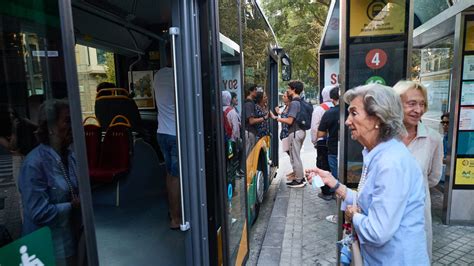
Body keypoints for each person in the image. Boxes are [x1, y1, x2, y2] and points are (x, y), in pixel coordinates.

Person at [306, 84, 428, 264]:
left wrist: (353, 215)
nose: (347, 121)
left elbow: (377, 232)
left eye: (354, 113)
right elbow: (370, 202)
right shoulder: (378, 154)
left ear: (378, 118)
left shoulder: (391, 163)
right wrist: (334, 183)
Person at [18, 99, 82, 265]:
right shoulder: (34, 164)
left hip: (68, 242)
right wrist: (71, 206)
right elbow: (38, 212)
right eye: (67, 121)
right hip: (45, 250)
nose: (72, 126)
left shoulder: (70, 156)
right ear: (51, 127)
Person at [393, 80, 443, 261]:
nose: (418, 109)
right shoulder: (384, 137)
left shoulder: (433, 138)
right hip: (387, 212)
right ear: (397, 105)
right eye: (412, 103)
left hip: (417, 214)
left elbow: (433, 177)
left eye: (422, 104)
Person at [153, 44, 181, 230]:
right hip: (175, 135)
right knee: (177, 176)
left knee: (170, 174)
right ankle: (177, 218)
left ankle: (173, 213)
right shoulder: (179, 76)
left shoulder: (158, 75)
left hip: (161, 132)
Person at [276, 80, 306, 188]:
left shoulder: (294, 103)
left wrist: (277, 119)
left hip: (294, 132)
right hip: (300, 131)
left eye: (289, 88)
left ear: (293, 90)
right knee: (295, 156)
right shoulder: (300, 101)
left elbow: (289, 121)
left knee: (295, 157)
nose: (287, 90)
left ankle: (299, 180)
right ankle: (300, 177)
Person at [317, 86, 339, 202]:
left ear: (331, 98)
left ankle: (337, 197)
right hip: (351, 152)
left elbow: (320, 134)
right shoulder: (351, 111)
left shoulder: (329, 113)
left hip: (333, 149)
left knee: (335, 176)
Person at [311, 86, 335, 190]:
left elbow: (314, 128)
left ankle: (326, 191)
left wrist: (314, 141)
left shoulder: (319, 109)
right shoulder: (341, 108)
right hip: (334, 142)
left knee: (322, 165)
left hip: (322, 142)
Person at [244, 84, 260, 155]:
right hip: (249, 132)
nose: (256, 91)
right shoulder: (248, 104)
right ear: (250, 91)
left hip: (251, 132)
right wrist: (264, 118)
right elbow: (251, 121)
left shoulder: (251, 103)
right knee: (249, 156)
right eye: (255, 90)